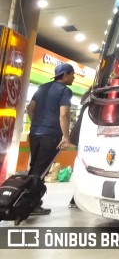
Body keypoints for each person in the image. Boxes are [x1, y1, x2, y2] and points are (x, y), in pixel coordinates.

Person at [27, 62, 75, 215]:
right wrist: (66, 137)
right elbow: (64, 115)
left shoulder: (42, 88)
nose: (73, 77)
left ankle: (25, 200)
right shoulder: (65, 91)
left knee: (34, 167)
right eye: (72, 74)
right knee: (40, 171)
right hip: (51, 135)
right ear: (66, 74)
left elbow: (30, 108)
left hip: (35, 133)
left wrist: (37, 123)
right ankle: (30, 204)